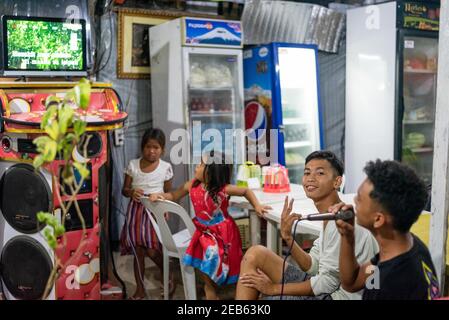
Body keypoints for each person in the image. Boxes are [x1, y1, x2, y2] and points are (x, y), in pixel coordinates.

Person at [236, 151, 378, 300]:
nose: (311, 178)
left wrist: (273, 289)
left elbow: (327, 284)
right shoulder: (328, 216)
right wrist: (288, 237)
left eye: (320, 173)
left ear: (337, 182)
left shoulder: (342, 222)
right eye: (307, 173)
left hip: (336, 296)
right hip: (325, 287)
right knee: (255, 253)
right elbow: (312, 266)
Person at [150, 151, 271, 300]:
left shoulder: (223, 189)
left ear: (212, 172)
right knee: (204, 250)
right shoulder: (192, 185)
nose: (196, 166)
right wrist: (160, 195)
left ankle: (242, 283)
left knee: (230, 258)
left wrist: (257, 206)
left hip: (223, 230)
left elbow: (246, 191)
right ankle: (209, 286)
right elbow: (174, 195)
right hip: (201, 229)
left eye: (201, 164)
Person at [332, 159, 440, 300]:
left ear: (378, 219)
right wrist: (348, 236)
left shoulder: (388, 285)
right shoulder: (411, 246)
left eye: (359, 198)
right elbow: (351, 283)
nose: (354, 202)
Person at [120, 128, 174, 300]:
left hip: (155, 212)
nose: (152, 151)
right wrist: (131, 192)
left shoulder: (165, 168)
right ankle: (140, 290)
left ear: (163, 150)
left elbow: (168, 193)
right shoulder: (133, 165)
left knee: (152, 250)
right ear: (142, 147)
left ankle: (168, 276)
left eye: (156, 147)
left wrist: (165, 209)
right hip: (136, 212)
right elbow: (124, 190)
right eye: (148, 147)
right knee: (138, 252)